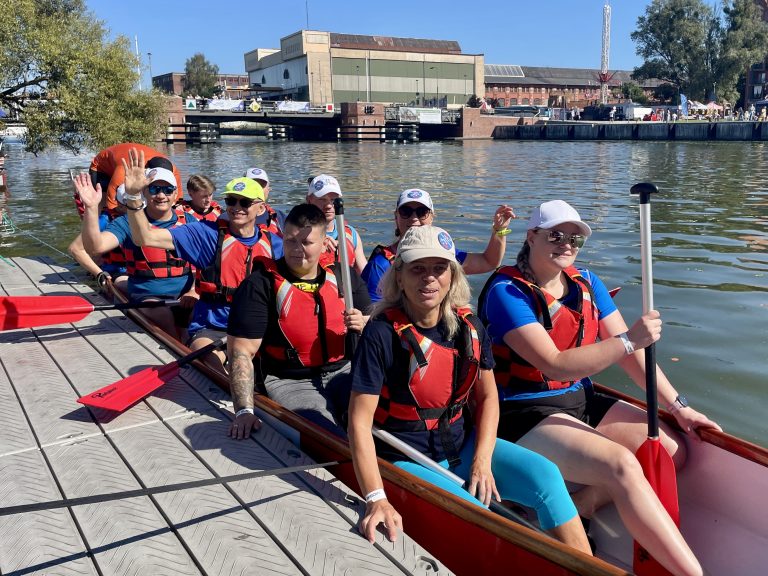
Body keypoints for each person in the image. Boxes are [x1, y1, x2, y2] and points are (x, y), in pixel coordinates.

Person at [478, 200, 722, 576]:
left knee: (671, 451)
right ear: (531, 237)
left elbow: (631, 357)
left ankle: (580, 505)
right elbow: (553, 362)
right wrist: (629, 340)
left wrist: (678, 406)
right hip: (523, 412)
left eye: (575, 239)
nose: (566, 244)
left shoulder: (587, 282)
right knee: (621, 465)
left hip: (580, 398)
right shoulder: (506, 291)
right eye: (556, 235)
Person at [347, 225, 590, 552]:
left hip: (461, 445)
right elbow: (360, 423)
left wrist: (482, 459)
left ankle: (585, 563)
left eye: (439, 269)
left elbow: (488, 397)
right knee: (478, 515)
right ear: (399, 277)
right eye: (418, 269)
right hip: (406, 455)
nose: (429, 278)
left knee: (545, 476)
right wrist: (376, 497)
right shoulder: (380, 334)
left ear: (453, 276)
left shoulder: (470, 328)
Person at [121, 150, 281, 372]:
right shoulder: (205, 234)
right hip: (212, 327)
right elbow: (144, 237)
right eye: (231, 200)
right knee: (210, 360)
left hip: (256, 326)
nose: (236, 207)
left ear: (261, 208)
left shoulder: (275, 243)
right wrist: (133, 197)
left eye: (245, 202)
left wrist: (325, 246)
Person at [226, 203, 371, 437]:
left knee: (376, 425)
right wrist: (244, 410)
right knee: (328, 433)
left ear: (325, 244)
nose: (296, 250)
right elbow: (241, 352)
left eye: (306, 243)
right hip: (289, 379)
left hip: (344, 370)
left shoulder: (343, 275)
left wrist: (364, 322)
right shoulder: (260, 285)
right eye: (290, 241)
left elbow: (372, 316)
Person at [76, 165, 195, 338]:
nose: (161, 195)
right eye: (155, 189)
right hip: (148, 297)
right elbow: (95, 247)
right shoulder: (126, 222)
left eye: (168, 190)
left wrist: (194, 291)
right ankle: (181, 350)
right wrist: (91, 209)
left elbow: (205, 265)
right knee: (164, 316)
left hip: (186, 296)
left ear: (175, 195)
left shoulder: (190, 221)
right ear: (144, 193)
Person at [361, 188, 514, 302]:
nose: (414, 218)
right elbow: (374, 314)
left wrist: (499, 230)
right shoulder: (381, 264)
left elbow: (489, 262)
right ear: (396, 217)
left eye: (422, 212)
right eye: (406, 211)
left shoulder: (445, 254)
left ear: (432, 217)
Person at [89, 143, 182, 216]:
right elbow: (112, 206)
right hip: (101, 167)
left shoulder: (174, 171)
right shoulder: (124, 171)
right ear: (146, 172)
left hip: (127, 157)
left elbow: (177, 203)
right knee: (104, 208)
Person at [306, 174, 367, 274]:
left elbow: (365, 273)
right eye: (322, 199)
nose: (329, 205)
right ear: (309, 200)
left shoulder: (350, 234)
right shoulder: (299, 234)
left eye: (334, 200)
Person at [245, 167, 284, 235]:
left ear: (268, 190)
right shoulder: (232, 216)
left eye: (261, 185)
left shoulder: (280, 217)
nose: (257, 190)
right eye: (252, 185)